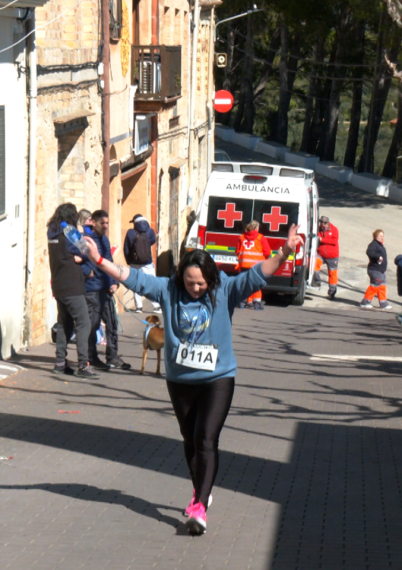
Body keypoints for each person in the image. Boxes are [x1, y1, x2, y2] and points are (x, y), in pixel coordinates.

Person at [81, 223, 304, 536]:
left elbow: (256, 274)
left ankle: (199, 506)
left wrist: (284, 252)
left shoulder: (224, 289)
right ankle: (201, 488)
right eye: (190, 282)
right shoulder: (168, 289)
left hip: (218, 379)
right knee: (189, 440)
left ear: (211, 279)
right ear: (180, 278)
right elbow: (133, 278)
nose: (195, 288)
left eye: (201, 283)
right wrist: (98, 259)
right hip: (181, 380)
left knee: (206, 439)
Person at [46, 203, 97, 378]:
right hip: (73, 285)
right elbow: (86, 250)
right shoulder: (70, 232)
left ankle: (60, 362)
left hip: (58, 285)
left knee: (64, 324)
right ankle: (83, 364)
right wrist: (81, 259)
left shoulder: (52, 232)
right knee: (83, 323)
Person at [83, 210, 130, 370]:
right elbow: (80, 260)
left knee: (112, 323)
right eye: (102, 223)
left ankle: (112, 356)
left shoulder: (104, 240)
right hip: (92, 289)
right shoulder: (87, 240)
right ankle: (91, 357)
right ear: (93, 222)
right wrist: (89, 273)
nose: (105, 226)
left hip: (105, 289)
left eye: (107, 223)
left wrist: (114, 281)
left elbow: (109, 262)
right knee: (93, 325)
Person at [124, 215, 160, 313]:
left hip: (134, 263)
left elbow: (126, 248)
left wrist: (129, 261)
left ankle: (139, 307)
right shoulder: (150, 231)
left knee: (136, 283)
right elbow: (152, 241)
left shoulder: (130, 233)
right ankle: (156, 306)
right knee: (152, 283)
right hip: (147, 262)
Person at [235, 220, 271, 311]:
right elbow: (267, 252)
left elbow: (237, 251)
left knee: (244, 283)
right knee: (256, 284)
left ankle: (242, 302)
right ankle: (257, 304)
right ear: (256, 228)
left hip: (244, 264)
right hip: (256, 266)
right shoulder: (260, 237)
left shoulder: (241, 237)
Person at [359, 229, 391, 310]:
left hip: (381, 270)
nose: (382, 237)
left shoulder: (380, 245)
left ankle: (383, 303)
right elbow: (369, 252)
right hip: (375, 269)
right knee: (375, 285)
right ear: (375, 236)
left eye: (383, 236)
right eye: (380, 236)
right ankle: (365, 302)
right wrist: (378, 257)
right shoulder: (373, 244)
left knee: (382, 286)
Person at [313, 216, 341, 300]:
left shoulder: (334, 230)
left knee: (332, 274)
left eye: (324, 223)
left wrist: (322, 240)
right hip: (321, 254)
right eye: (321, 223)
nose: (322, 225)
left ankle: (332, 292)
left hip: (332, 256)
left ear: (328, 223)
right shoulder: (317, 229)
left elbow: (334, 241)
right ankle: (317, 281)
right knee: (314, 263)